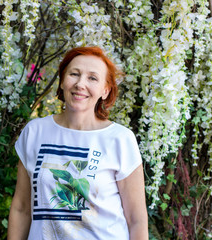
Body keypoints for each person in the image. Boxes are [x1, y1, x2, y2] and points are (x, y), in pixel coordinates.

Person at [8, 46, 148, 240]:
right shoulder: (35, 132)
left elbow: (137, 220)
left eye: (92, 78)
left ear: (105, 91)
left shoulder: (120, 139)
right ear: (63, 81)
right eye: (74, 74)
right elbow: (21, 208)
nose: (80, 84)